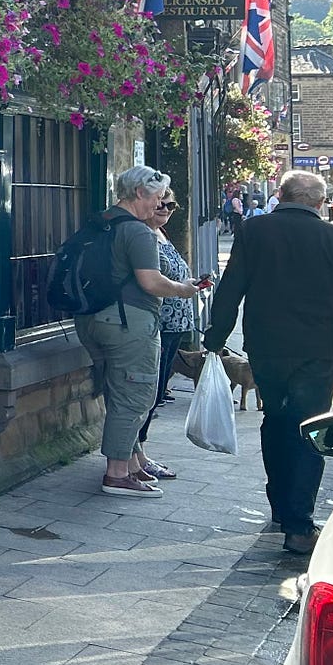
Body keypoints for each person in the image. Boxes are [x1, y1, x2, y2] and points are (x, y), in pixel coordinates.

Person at [203, 170, 333, 554]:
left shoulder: (253, 233)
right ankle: (298, 525)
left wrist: (216, 336)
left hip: (266, 347)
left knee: (275, 419)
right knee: (311, 428)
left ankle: (280, 507)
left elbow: (231, 288)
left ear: (280, 196)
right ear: (320, 203)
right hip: (317, 349)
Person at [76, 165, 199, 498]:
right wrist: (183, 289)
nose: (158, 205)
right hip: (127, 322)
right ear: (140, 193)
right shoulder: (137, 231)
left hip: (90, 319)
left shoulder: (99, 221)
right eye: (157, 197)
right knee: (135, 395)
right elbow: (151, 282)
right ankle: (117, 473)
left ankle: (129, 463)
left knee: (118, 392)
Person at [145, 191, 202, 407]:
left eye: (171, 206)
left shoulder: (162, 233)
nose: (166, 210)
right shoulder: (145, 235)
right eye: (161, 205)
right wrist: (180, 288)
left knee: (163, 374)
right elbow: (153, 279)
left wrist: (192, 283)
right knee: (154, 379)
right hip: (161, 319)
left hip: (177, 320)